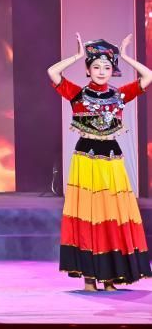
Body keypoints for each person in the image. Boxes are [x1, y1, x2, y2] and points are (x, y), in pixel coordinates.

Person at [47, 34, 152, 290]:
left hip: (112, 158)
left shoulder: (119, 94)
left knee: (111, 213)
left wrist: (125, 56)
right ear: (88, 70)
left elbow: (148, 76)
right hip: (86, 158)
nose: (102, 71)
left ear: (112, 70)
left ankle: (111, 277)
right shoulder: (77, 93)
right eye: (96, 66)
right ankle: (89, 278)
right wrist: (77, 55)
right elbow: (52, 72)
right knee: (88, 213)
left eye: (107, 67)